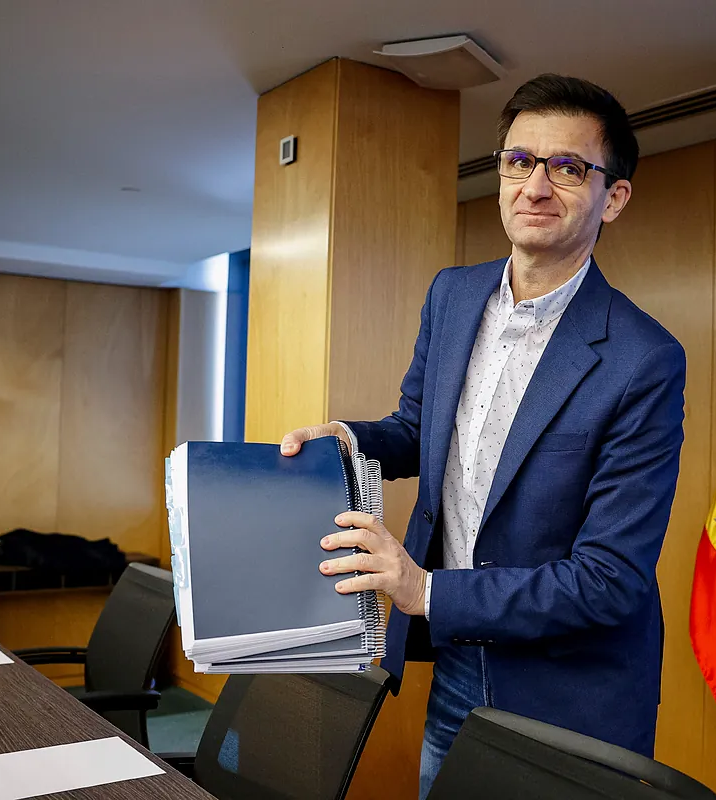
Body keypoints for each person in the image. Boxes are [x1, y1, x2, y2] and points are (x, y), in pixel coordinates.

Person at [281, 73, 686, 798]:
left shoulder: (643, 358)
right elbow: (420, 429)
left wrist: (425, 589)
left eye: (568, 168)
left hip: (572, 693)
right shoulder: (454, 294)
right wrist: (346, 439)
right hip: (459, 659)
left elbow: (611, 580)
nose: (535, 186)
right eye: (518, 161)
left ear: (614, 197)